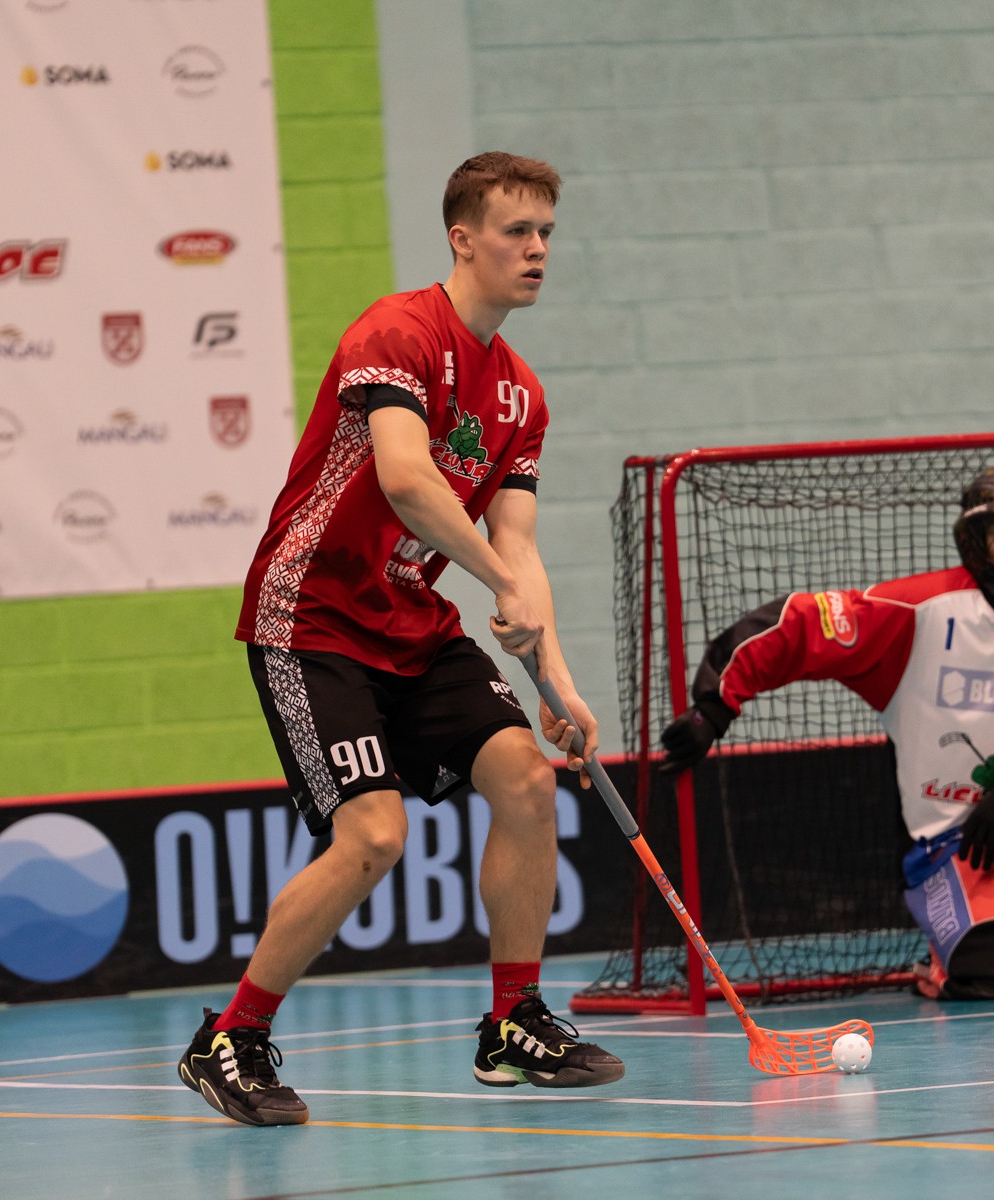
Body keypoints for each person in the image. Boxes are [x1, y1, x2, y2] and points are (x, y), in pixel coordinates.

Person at [176, 152, 623, 1128]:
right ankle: (230, 1037)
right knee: (375, 834)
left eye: (547, 233)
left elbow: (518, 547)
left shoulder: (522, 396)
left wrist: (555, 681)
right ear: (463, 239)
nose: (538, 250)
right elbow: (408, 481)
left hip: (410, 620)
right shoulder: (397, 333)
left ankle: (513, 1023)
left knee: (527, 780)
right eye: (517, 231)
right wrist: (499, 582)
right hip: (312, 617)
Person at [659, 461, 994, 1000]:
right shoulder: (919, 611)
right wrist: (715, 706)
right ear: (974, 541)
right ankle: (986, 950)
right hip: (959, 840)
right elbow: (802, 625)